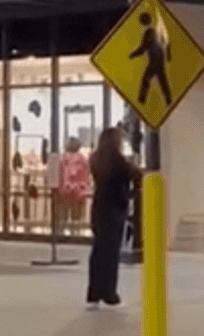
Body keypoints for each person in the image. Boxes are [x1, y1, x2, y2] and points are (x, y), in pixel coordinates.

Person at [86, 127, 141, 308]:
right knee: (111, 252)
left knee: (98, 250)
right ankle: (109, 293)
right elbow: (135, 175)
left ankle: (94, 292)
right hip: (115, 208)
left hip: (98, 207)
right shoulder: (118, 161)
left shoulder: (95, 159)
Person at [58, 137, 91, 236]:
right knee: (77, 215)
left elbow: (61, 174)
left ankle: (62, 232)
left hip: (65, 190)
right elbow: (85, 175)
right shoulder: (83, 159)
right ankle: (76, 233)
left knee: (63, 214)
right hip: (79, 191)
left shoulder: (63, 158)